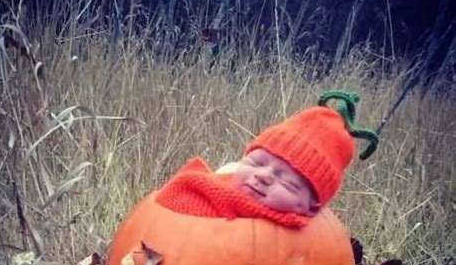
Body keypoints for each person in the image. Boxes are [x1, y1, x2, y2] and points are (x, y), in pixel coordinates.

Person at [155, 90, 379, 228]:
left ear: (311, 208)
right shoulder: (206, 190)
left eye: (288, 182)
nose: (262, 176)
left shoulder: (311, 241)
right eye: (256, 163)